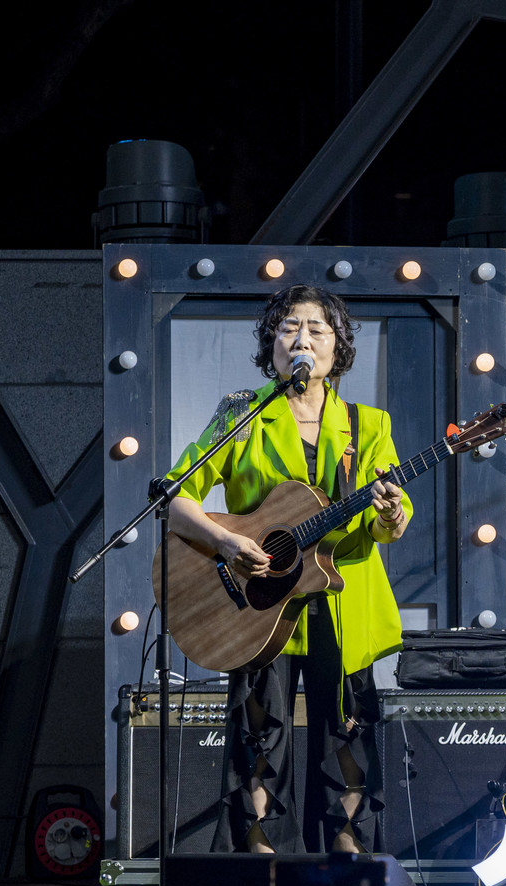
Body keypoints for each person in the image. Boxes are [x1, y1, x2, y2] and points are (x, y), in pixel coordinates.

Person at [167, 286, 411, 854]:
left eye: (316, 329)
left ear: (337, 347)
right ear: (271, 345)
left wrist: (391, 514)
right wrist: (226, 541)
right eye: (288, 328)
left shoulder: (367, 424)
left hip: (344, 599)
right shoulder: (243, 413)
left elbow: (388, 523)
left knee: (345, 731)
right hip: (258, 603)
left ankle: (347, 856)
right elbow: (176, 499)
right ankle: (260, 854)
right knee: (260, 733)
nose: (302, 339)